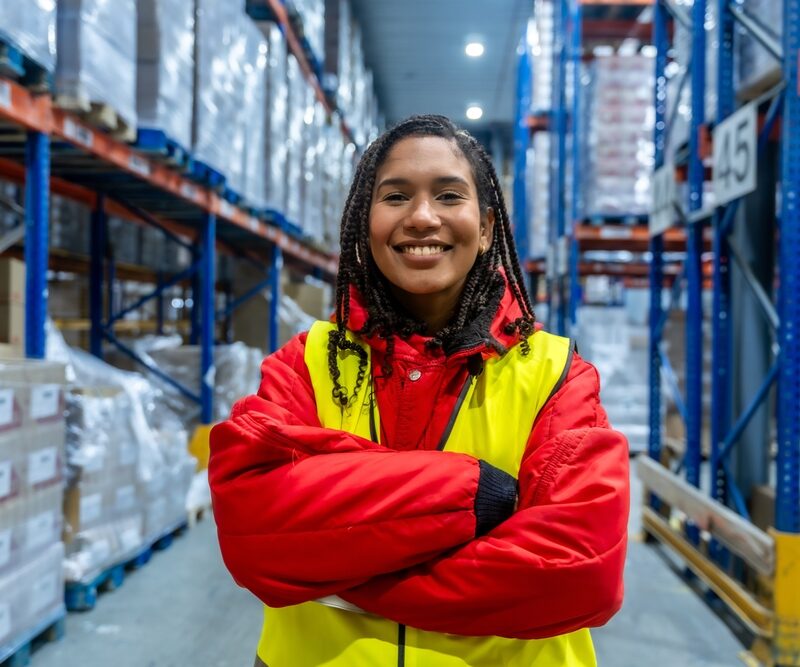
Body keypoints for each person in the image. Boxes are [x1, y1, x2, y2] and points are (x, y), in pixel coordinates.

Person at [209, 114, 629, 667]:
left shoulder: (556, 376)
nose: (423, 217)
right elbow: (253, 528)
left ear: (486, 228)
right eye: (396, 196)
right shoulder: (307, 363)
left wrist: (344, 563)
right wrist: (475, 496)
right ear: (366, 223)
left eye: (449, 196)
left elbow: (578, 572)